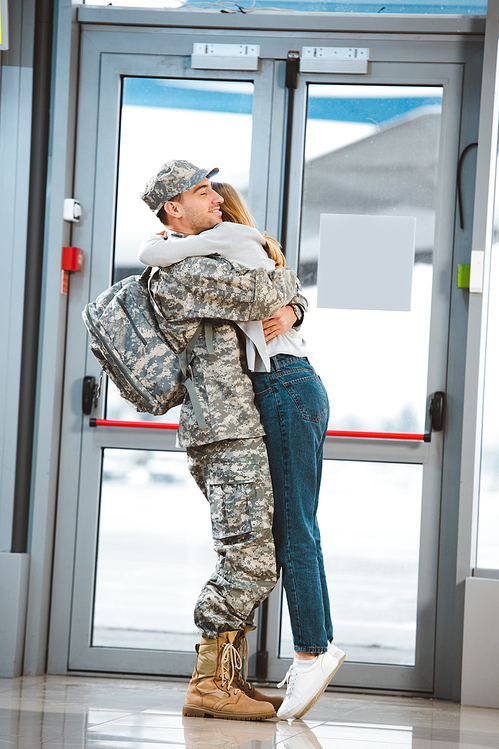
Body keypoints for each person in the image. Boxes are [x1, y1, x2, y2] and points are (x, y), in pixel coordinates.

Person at [139, 177, 346, 720]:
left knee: (285, 531)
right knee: (275, 536)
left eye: (216, 196)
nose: (213, 203)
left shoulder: (231, 242)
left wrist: (290, 295)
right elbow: (265, 292)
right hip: (255, 404)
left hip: (279, 388)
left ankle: (308, 654)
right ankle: (292, 658)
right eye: (202, 194)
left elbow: (270, 293)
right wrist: (289, 287)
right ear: (176, 208)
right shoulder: (200, 263)